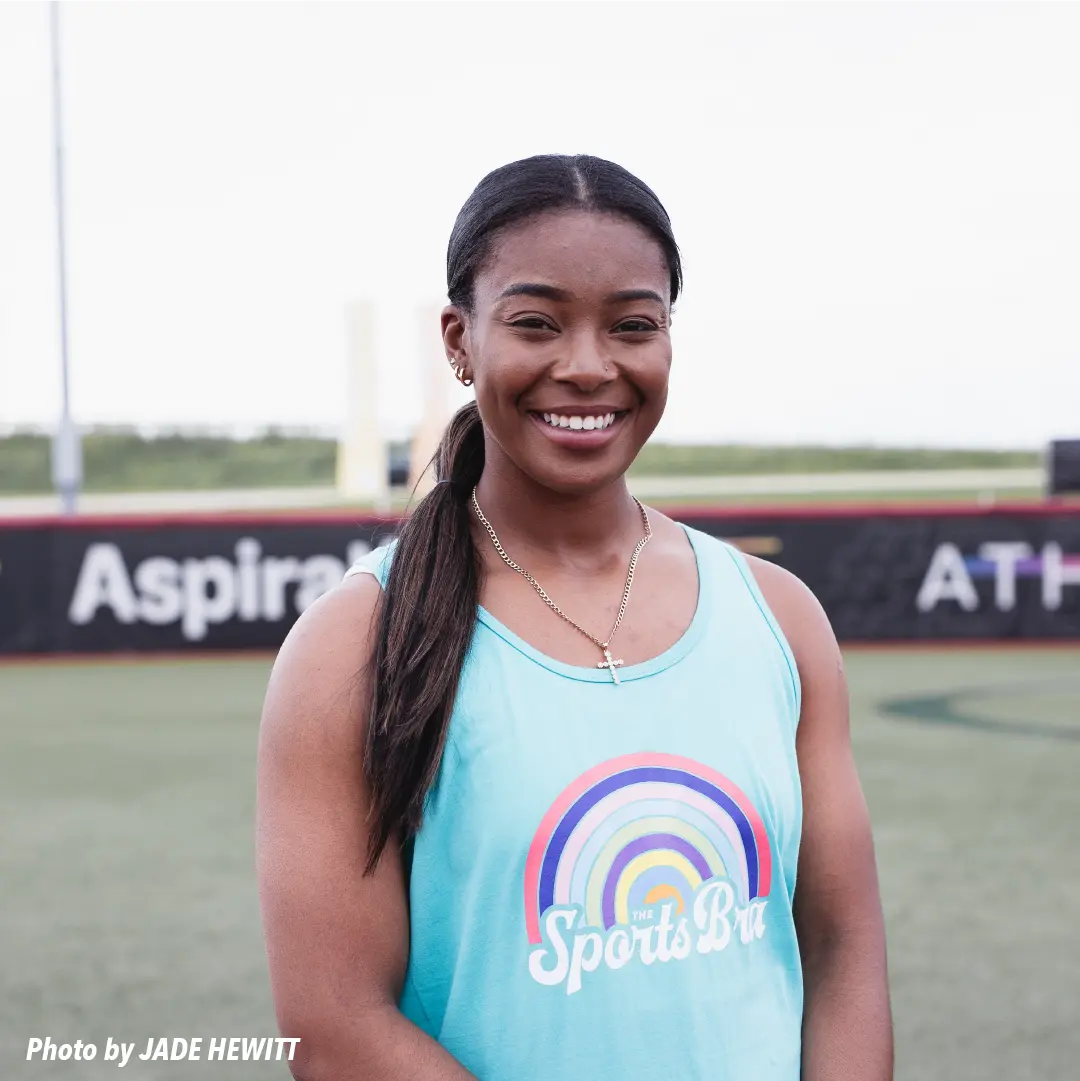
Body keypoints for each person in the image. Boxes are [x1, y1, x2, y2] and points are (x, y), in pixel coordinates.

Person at [256, 154, 893, 1080]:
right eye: (536, 323)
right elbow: (335, 1025)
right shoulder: (353, 644)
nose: (588, 366)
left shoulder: (778, 617)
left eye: (633, 325)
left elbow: (843, 947)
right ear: (458, 339)